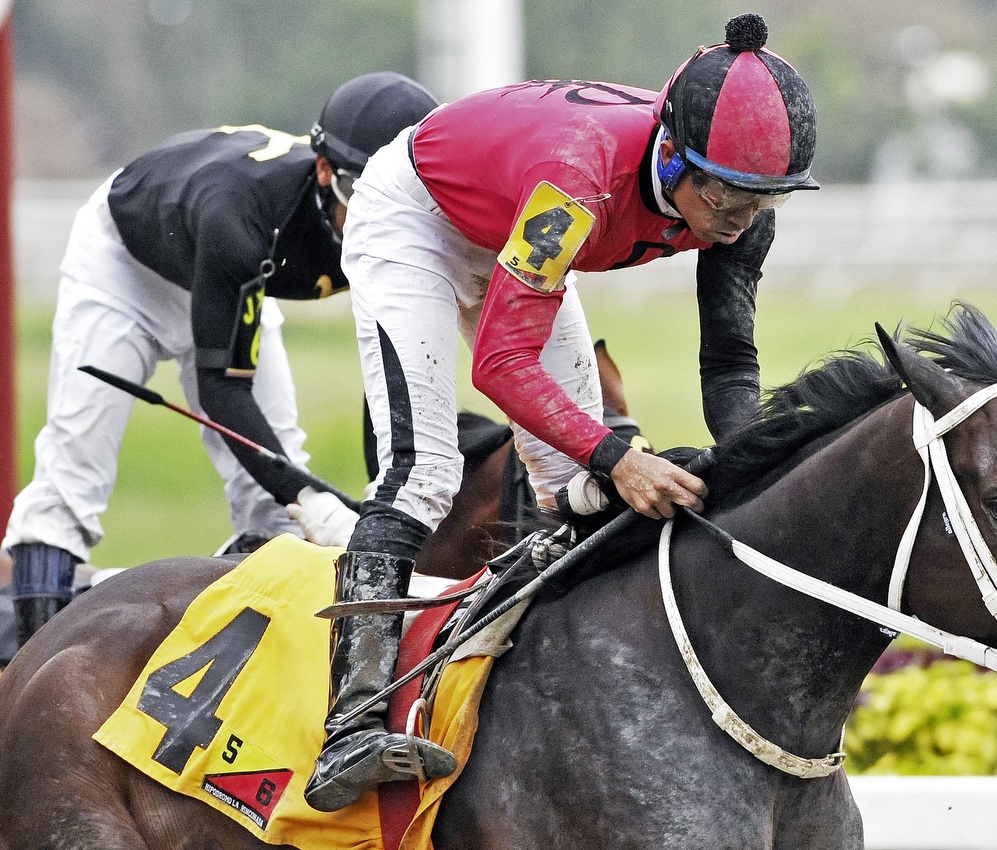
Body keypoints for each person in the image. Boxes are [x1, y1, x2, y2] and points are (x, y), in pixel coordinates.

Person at [304, 13, 819, 811]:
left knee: (566, 477)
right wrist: (620, 458)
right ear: (674, 154)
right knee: (425, 471)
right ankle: (351, 725)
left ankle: (547, 681)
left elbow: (728, 361)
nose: (739, 219)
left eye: (764, 198)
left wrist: (756, 471)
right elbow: (500, 364)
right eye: (726, 194)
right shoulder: (575, 183)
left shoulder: (735, 203)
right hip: (417, 220)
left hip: (512, 216)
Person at [1, 72, 439, 650]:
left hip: (231, 270)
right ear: (325, 171)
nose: (382, 216)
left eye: (405, 193)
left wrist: (379, 496)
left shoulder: (393, 226)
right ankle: (26, 662)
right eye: (363, 193)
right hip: (129, 265)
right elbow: (223, 389)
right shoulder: (243, 221)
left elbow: (386, 366)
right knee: (74, 474)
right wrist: (316, 499)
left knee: (275, 514)